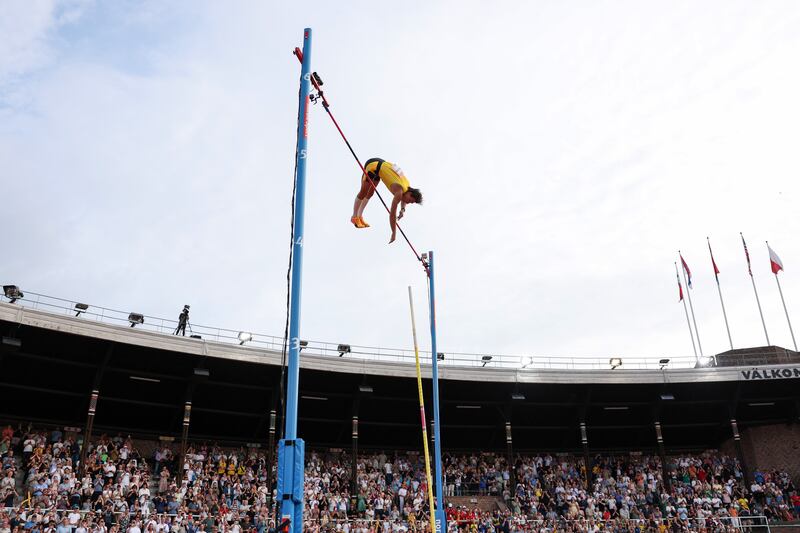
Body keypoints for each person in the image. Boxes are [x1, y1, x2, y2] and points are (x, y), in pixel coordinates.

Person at [351, 158, 422, 243]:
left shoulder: (407, 186)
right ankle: (354, 217)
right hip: (373, 166)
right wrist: (393, 232)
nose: (408, 203)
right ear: (410, 194)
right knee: (363, 192)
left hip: (380, 169)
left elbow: (404, 199)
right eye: (410, 201)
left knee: (370, 194)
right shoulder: (399, 192)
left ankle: (360, 216)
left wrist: (402, 209)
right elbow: (392, 215)